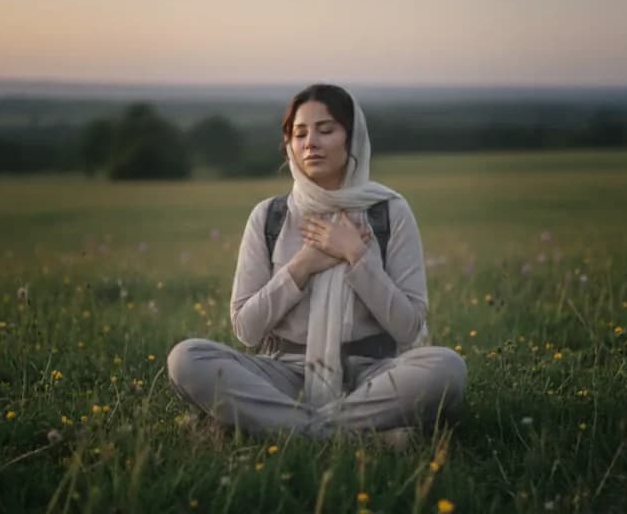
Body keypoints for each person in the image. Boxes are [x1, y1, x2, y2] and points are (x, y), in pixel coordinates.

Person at [167, 83, 466, 439]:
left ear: (352, 138)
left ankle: (286, 426)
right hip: (283, 374)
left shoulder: (390, 212)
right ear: (289, 145)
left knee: (447, 367)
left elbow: (408, 328)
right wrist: (303, 264)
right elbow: (246, 329)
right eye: (299, 133)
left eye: (326, 130)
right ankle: (352, 431)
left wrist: (356, 255)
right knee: (186, 358)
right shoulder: (269, 216)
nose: (310, 142)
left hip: (372, 375)